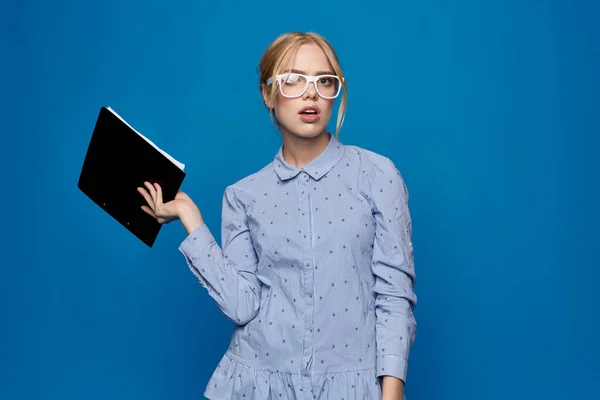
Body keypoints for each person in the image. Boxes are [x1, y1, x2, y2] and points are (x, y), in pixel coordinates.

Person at [137, 31, 417, 400]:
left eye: (324, 81)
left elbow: (394, 295)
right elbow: (242, 305)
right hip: (259, 384)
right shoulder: (242, 196)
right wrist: (190, 217)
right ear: (268, 94)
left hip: (351, 385)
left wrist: (392, 393)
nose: (311, 93)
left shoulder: (378, 175)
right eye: (293, 80)